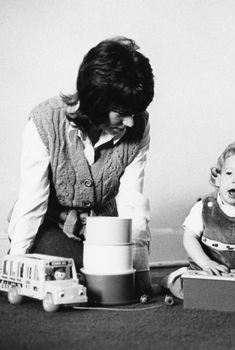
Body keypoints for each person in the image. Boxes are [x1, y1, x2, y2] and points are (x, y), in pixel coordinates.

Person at [7, 37, 156, 294]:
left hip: (104, 234)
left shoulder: (138, 126)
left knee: (110, 274)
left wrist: (140, 272)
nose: (131, 123)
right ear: (95, 100)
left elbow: (133, 202)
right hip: (52, 227)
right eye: (121, 113)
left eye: (135, 112)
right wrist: (14, 269)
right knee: (75, 271)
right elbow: (33, 201)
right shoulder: (44, 122)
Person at [163, 140, 235, 299]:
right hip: (205, 270)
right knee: (186, 289)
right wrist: (206, 263)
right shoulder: (204, 206)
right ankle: (169, 280)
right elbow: (190, 237)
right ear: (217, 179)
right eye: (229, 173)